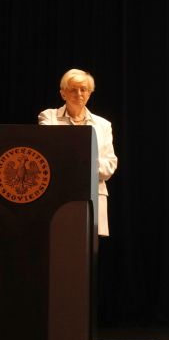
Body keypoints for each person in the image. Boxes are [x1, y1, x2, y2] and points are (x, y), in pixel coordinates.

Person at [38, 68, 118, 237]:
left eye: (84, 89)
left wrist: (78, 163)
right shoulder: (48, 117)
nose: (79, 94)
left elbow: (109, 166)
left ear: (90, 93)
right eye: (73, 89)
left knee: (86, 249)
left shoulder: (103, 125)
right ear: (63, 93)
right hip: (58, 195)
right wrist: (86, 161)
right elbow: (50, 154)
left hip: (92, 196)